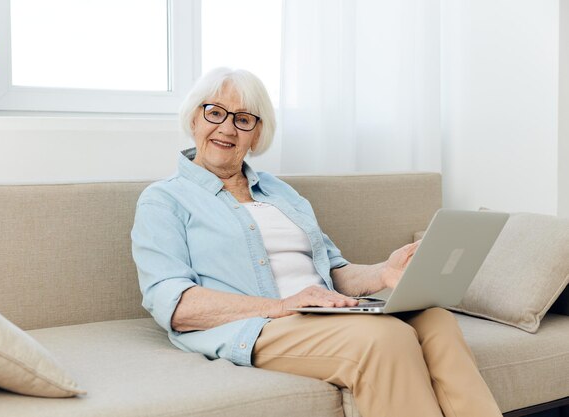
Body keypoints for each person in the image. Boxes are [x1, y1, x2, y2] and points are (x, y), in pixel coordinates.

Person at [131, 67, 503, 417]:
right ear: (194, 118)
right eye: (215, 113)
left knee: (436, 320)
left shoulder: (280, 192)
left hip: (321, 313)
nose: (227, 128)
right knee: (386, 338)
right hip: (259, 326)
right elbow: (176, 305)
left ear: (257, 134)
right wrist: (282, 305)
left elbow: (332, 270)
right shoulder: (164, 200)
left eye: (243, 119)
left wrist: (384, 274)